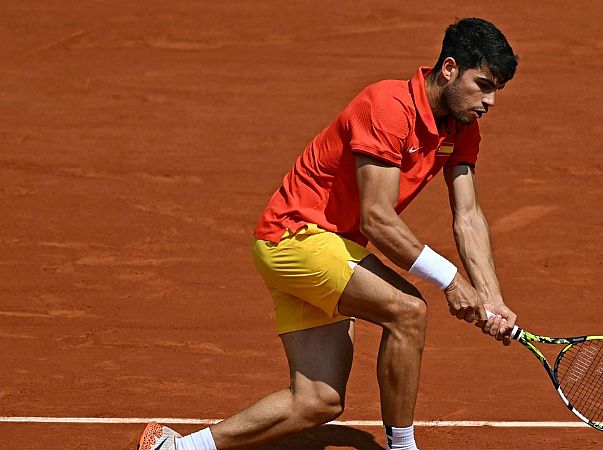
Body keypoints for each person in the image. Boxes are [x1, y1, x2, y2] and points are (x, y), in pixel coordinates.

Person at [138, 17, 518, 450]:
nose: (489, 100)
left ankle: (176, 448)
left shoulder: (462, 127)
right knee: (408, 311)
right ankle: (403, 447)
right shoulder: (388, 106)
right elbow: (377, 218)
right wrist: (450, 280)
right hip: (296, 237)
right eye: (483, 84)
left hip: (324, 247)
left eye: (496, 90)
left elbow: (467, 215)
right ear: (449, 69)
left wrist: (491, 297)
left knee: (318, 401)